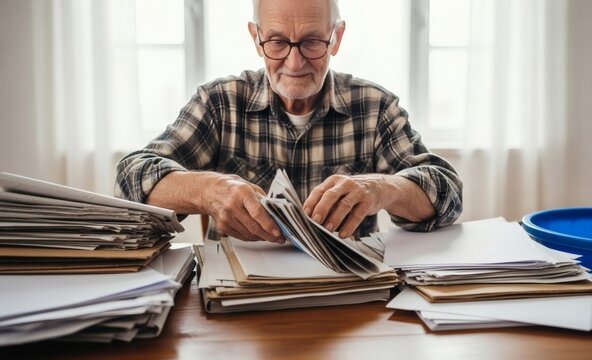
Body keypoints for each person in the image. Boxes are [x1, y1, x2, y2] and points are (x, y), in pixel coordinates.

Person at [115, 0, 462, 244]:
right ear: (256, 38)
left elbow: (447, 194)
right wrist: (208, 191)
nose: (295, 63)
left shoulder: (374, 107)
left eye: (312, 42)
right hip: (239, 302)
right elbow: (131, 178)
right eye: (278, 42)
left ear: (336, 38)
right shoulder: (220, 103)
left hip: (348, 301)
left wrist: (382, 189)